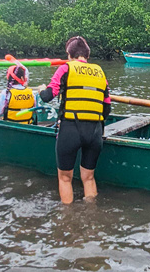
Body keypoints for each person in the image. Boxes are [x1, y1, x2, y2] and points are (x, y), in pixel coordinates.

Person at [38, 36, 110, 204]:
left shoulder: (65, 68)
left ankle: (67, 218)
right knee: (89, 177)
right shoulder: (100, 72)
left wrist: (42, 89)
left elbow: (48, 96)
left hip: (71, 128)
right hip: (95, 131)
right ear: (87, 54)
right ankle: (91, 215)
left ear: (69, 54)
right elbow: (107, 107)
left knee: (65, 178)